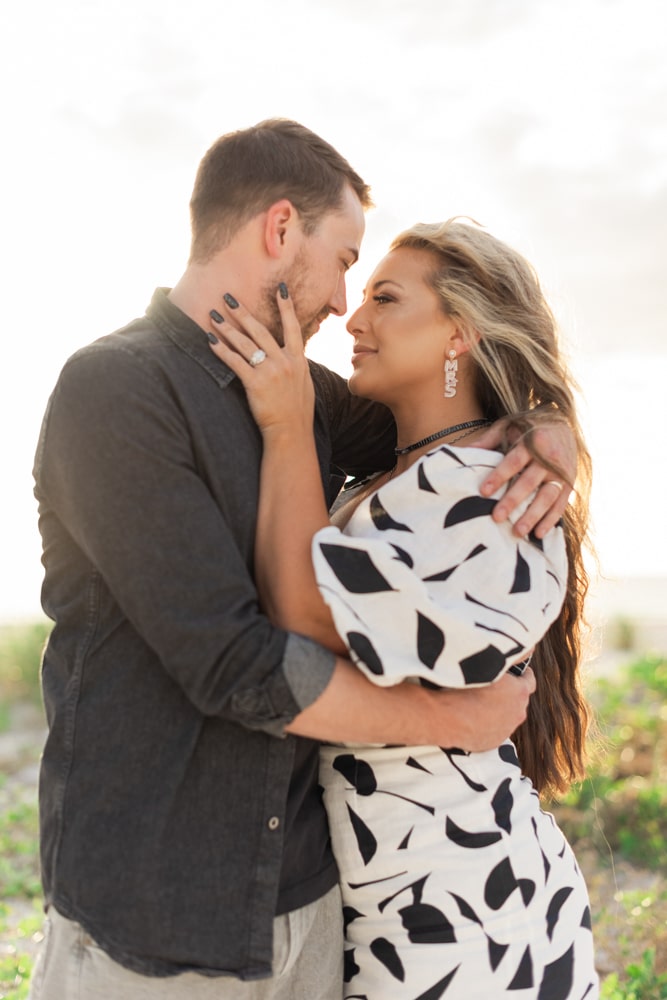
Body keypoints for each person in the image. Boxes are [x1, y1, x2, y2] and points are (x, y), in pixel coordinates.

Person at [30, 120, 573, 1000]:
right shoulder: (115, 390)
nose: (345, 301)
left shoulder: (307, 395)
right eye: (346, 259)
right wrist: (453, 722)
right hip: (159, 918)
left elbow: (452, 417)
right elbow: (235, 665)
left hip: (314, 912)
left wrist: (552, 432)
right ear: (280, 231)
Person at [206, 217, 598, 998]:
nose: (354, 317)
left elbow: (308, 614)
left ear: (460, 333)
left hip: (463, 906)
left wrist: (284, 425)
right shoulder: (405, 471)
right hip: (406, 891)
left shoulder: (486, 493)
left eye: (385, 297)